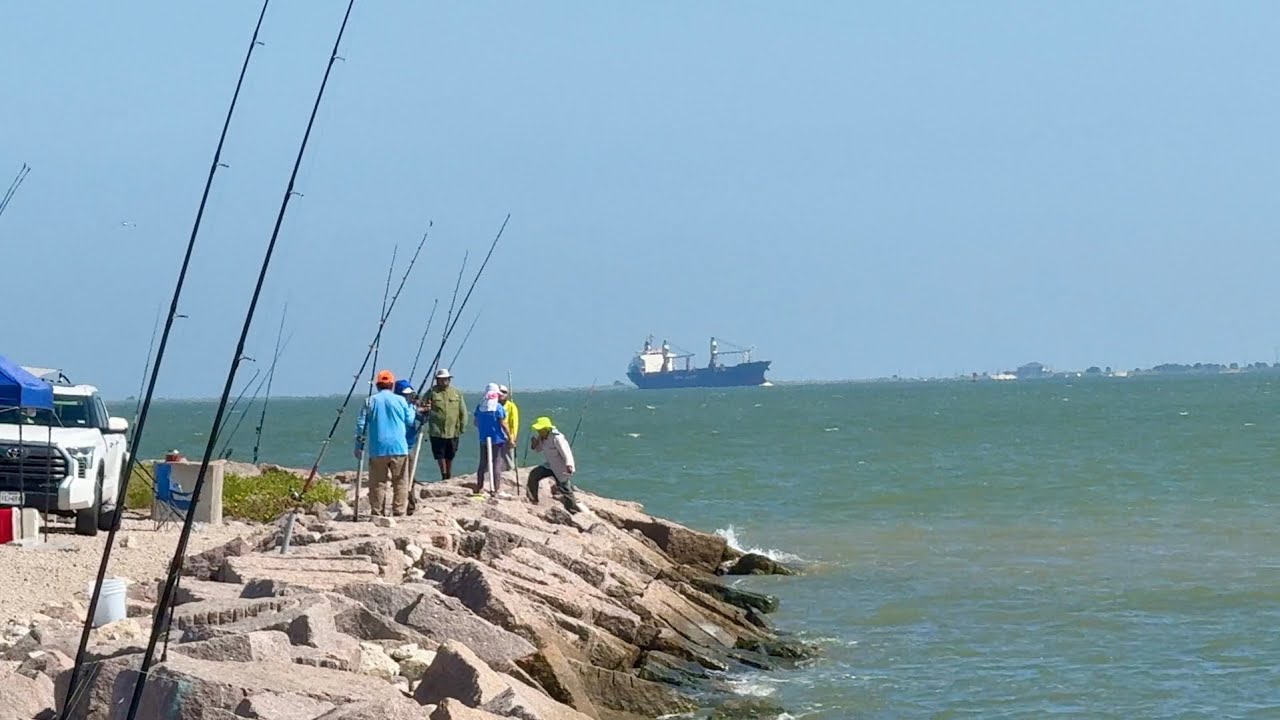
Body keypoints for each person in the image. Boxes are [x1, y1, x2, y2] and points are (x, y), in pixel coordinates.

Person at [354, 370, 416, 517]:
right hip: (399, 447)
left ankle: (377, 512)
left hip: (378, 448)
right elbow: (410, 420)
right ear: (392, 385)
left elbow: (361, 425)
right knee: (400, 481)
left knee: (378, 483)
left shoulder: (369, 401)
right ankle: (399, 511)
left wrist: (358, 446)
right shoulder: (401, 401)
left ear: (377, 385)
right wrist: (413, 408)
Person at [526, 416, 582, 513]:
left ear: (547, 429)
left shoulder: (557, 438)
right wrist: (534, 444)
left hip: (561, 467)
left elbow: (566, 452)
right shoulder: (542, 437)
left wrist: (569, 465)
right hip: (550, 465)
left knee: (565, 489)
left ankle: (573, 510)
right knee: (534, 475)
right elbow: (538, 449)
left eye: (541, 430)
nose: (539, 431)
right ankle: (533, 499)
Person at [424, 368, 466, 480]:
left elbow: (463, 410)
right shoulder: (431, 392)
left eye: (446, 379)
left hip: (453, 430)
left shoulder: (456, 393)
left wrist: (462, 425)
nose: (444, 381)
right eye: (441, 379)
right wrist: (426, 407)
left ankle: (449, 473)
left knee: (450, 454)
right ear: (437, 380)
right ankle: (444, 475)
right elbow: (422, 406)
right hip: (437, 430)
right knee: (440, 454)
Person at [394, 379, 425, 514]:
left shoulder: (412, 407)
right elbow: (410, 419)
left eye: (409, 394)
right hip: (399, 447)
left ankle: (410, 505)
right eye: (405, 394)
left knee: (410, 477)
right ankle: (400, 506)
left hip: (409, 445)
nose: (408, 397)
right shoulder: (400, 407)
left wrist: (425, 412)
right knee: (401, 478)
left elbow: (422, 419)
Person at [474, 382, 510, 497]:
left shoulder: (480, 407)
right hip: (497, 438)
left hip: (483, 438)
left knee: (483, 463)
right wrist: (510, 437)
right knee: (496, 463)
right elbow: (503, 424)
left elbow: (475, 422)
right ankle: (496, 489)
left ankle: (479, 487)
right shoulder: (498, 407)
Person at [498, 384, 519, 473]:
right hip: (497, 437)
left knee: (509, 459)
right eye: (500, 392)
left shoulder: (511, 406)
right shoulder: (494, 405)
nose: (502, 394)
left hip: (507, 436)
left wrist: (512, 437)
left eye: (504, 392)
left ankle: (511, 473)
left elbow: (514, 423)